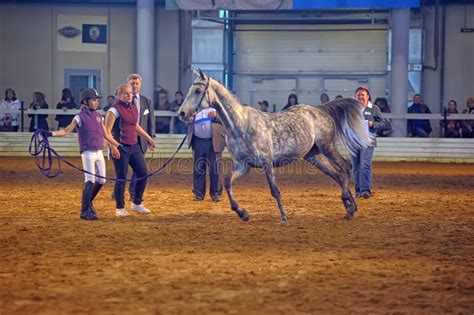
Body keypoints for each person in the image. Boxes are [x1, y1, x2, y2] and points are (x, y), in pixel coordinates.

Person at [47, 88, 119, 220]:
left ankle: (88, 202)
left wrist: (117, 145)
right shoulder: (79, 117)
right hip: (87, 152)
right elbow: (66, 131)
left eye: (97, 100)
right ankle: (84, 211)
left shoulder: (99, 116)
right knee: (90, 179)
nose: (96, 102)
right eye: (93, 100)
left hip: (98, 152)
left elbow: (105, 134)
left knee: (102, 180)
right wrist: (50, 134)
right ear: (85, 101)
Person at [104, 84, 157, 217]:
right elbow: (107, 133)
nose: (129, 95)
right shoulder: (113, 110)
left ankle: (137, 203)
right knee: (121, 177)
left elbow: (136, 126)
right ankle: (120, 208)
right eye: (125, 93)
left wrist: (149, 138)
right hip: (120, 147)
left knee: (143, 173)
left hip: (134, 146)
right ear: (119, 95)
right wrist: (113, 147)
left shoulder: (133, 107)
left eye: (130, 93)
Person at [350, 86, 387, 199]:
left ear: (368, 96)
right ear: (355, 97)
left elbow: (382, 122)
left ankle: (366, 190)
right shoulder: (352, 109)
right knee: (356, 167)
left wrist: (373, 124)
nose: (360, 97)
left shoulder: (374, 108)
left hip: (368, 140)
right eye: (358, 95)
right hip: (354, 140)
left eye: (363, 95)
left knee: (365, 165)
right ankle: (358, 191)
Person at [187, 107, 226, 202]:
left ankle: (216, 193)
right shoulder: (193, 105)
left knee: (215, 169)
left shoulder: (218, 105)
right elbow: (183, 116)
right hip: (197, 140)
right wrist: (188, 118)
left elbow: (227, 118)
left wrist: (217, 116)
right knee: (198, 168)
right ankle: (198, 193)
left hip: (214, 141)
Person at [127, 73, 155, 201]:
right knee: (121, 169)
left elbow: (151, 121)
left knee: (138, 168)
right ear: (128, 84)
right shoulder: (122, 101)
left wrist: (151, 137)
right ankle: (118, 192)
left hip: (141, 140)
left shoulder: (147, 101)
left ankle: (133, 192)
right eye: (132, 83)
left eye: (137, 83)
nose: (134, 86)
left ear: (140, 85)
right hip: (125, 139)